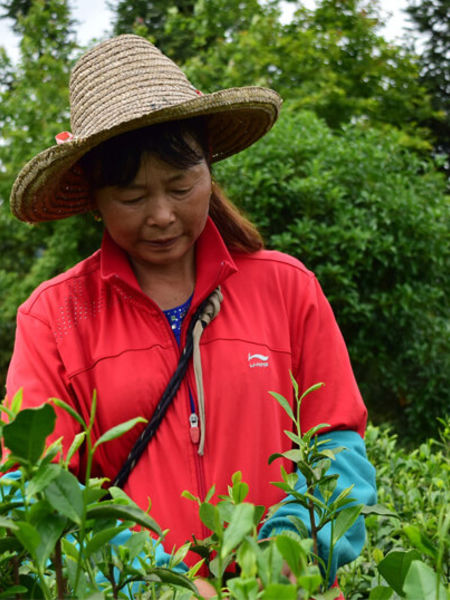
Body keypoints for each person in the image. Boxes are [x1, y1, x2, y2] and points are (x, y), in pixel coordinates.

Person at [5, 34, 376, 596]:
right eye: (131, 198)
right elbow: (32, 487)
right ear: (93, 196)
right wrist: (156, 582)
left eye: (182, 186)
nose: (161, 216)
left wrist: (283, 559)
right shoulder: (55, 316)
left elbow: (338, 447)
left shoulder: (285, 286)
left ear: (209, 168)